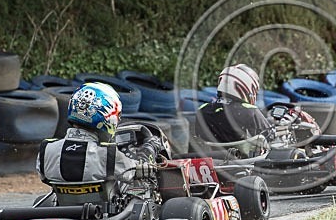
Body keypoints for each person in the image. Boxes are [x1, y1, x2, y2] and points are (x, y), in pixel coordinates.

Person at [37, 82, 165, 191]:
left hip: (64, 208)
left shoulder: (46, 150)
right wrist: (150, 146)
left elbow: (45, 178)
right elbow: (135, 171)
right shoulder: (107, 155)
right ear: (107, 114)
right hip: (102, 213)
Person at [195, 64, 272, 145]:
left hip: (210, 156)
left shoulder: (202, 110)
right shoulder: (250, 111)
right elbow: (269, 136)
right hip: (242, 157)